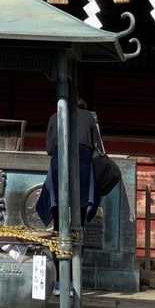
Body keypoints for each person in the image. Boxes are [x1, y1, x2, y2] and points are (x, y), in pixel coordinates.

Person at [36, 97, 104, 228]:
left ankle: (57, 227)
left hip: (59, 156)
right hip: (83, 158)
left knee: (55, 192)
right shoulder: (89, 116)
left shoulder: (54, 117)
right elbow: (98, 146)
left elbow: (49, 149)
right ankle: (79, 227)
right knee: (84, 193)